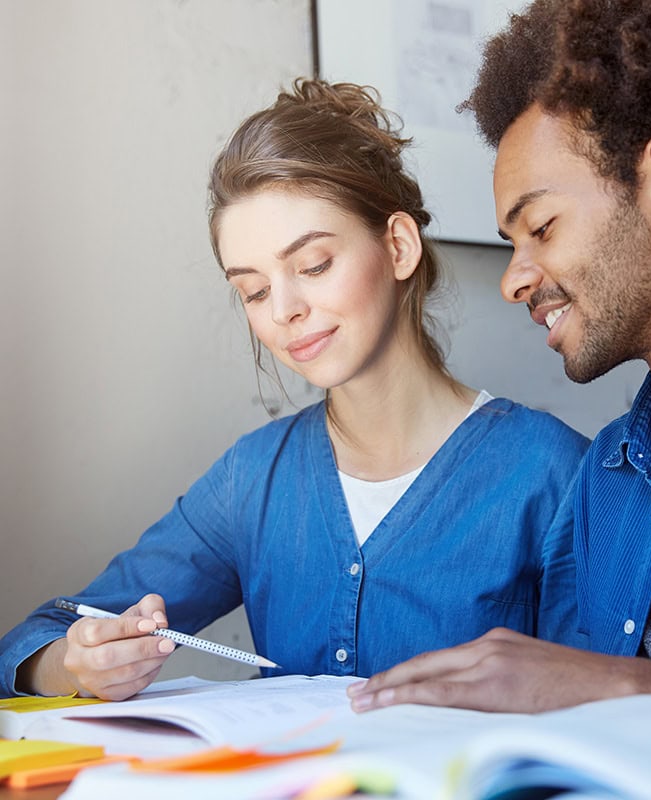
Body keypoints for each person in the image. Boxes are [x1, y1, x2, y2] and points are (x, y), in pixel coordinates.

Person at [0, 78, 588, 701]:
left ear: (398, 246)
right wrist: (75, 663)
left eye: (313, 266)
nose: (283, 309)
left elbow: (610, 719)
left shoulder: (553, 474)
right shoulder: (250, 480)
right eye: (253, 290)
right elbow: (43, 635)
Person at [347, 0, 651, 715]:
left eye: (541, 227)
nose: (513, 279)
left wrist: (626, 685)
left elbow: (602, 689)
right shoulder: (610, 480)